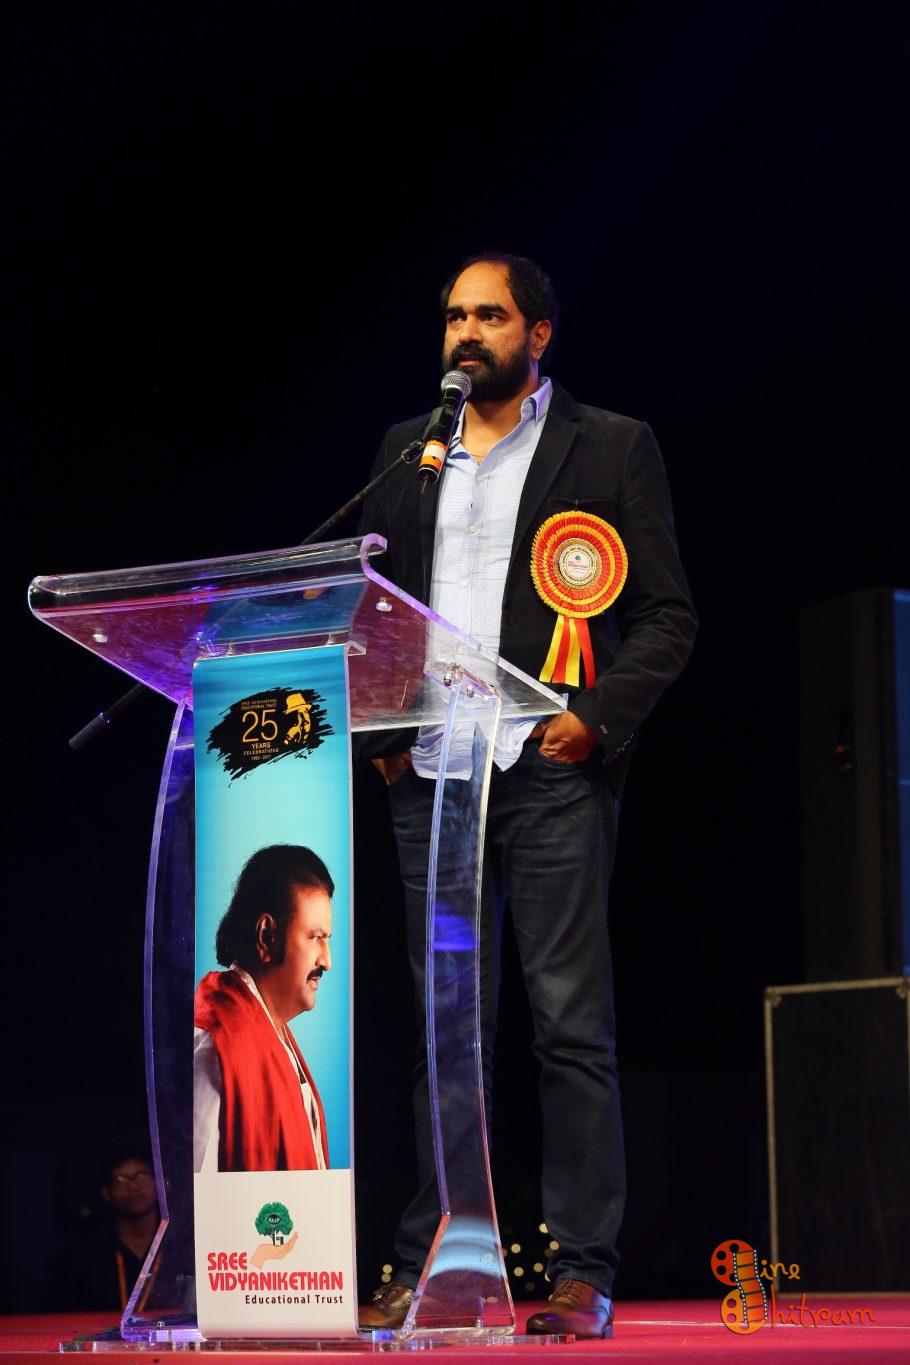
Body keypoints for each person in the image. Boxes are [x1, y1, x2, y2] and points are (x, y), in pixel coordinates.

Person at [357, 253, 697, 1337]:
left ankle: (579, 1268)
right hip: (432, 778)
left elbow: (667, 618)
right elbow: (371, 604)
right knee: (442, 1032)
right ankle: (439, 1258)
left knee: (567, 1026)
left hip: (544, 770)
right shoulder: (407, 451)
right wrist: (382, 735)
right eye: (454, 316)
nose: (467, 333)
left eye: (490, 316)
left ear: (537, 334)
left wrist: (593, 719)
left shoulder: (610, 445)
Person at [194, 844, 333, 1172]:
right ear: (266, 936)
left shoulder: (275, 1038)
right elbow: (197, 1194)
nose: (327, 961)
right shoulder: (216, 1050)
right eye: (315, 937)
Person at [43, 1139, 160, 1312]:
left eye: (142, 1176)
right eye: (121, 1180)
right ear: (106, 1193)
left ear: (160, 1184)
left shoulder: (183, 1248)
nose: (133, 1187)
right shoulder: (81, 1257)